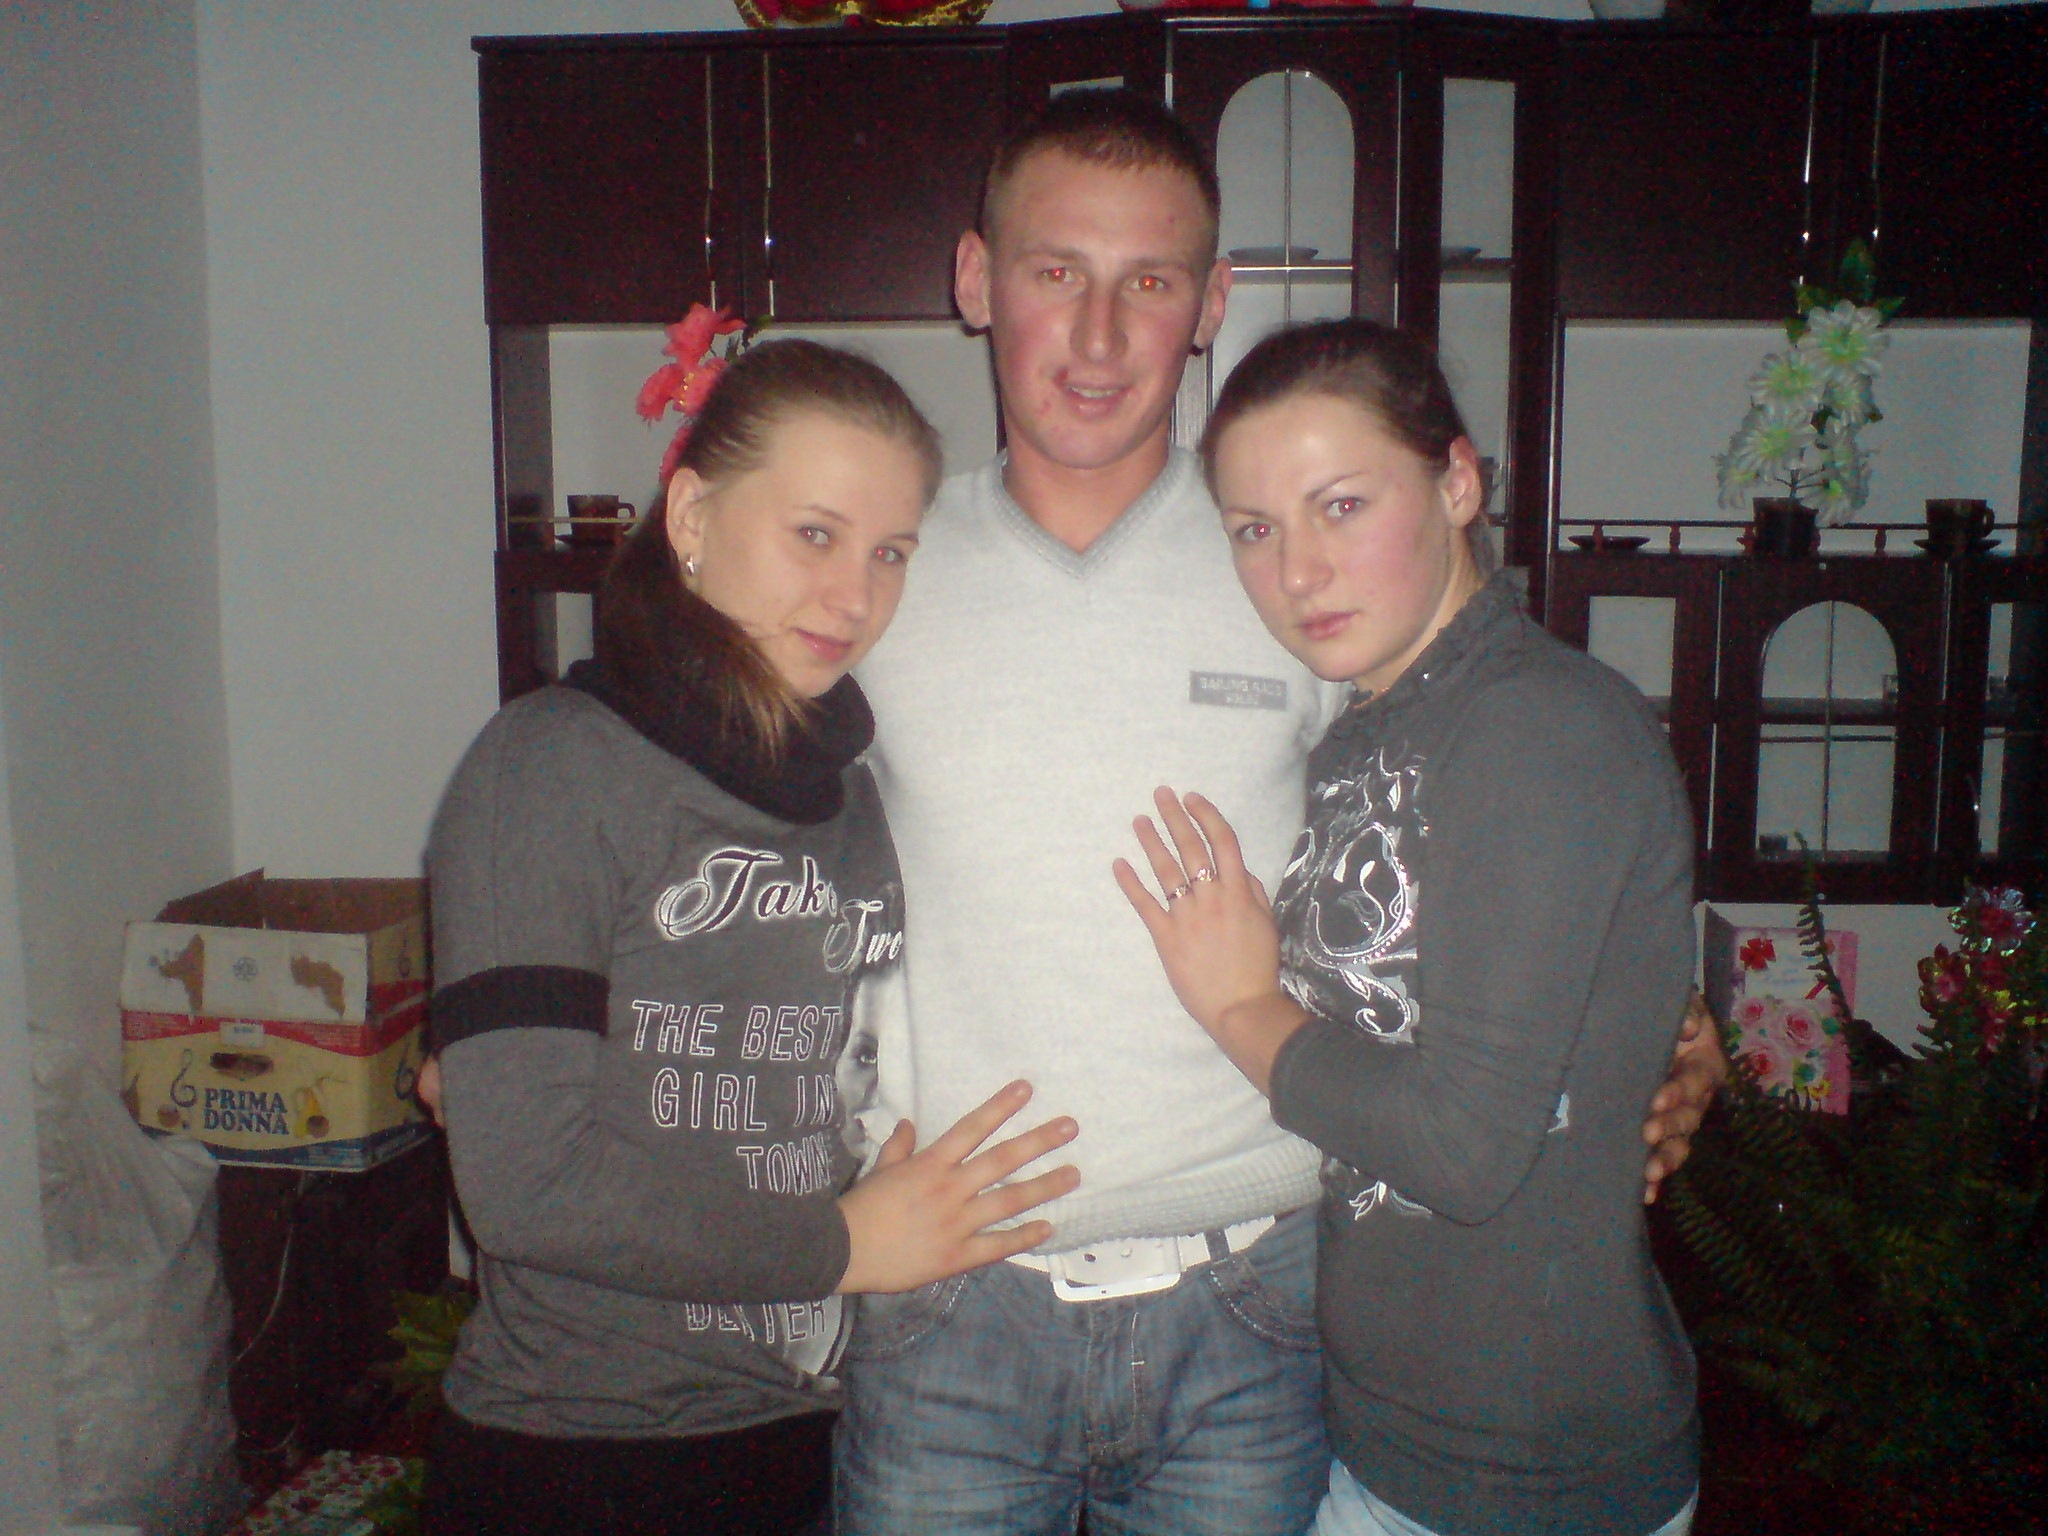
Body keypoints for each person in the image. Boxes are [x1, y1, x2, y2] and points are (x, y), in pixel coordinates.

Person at [836, 89, 1723, 1535]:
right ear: (975, 279)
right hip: (952, 1307)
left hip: (1259, 1307)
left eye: (1151, 281)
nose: (1100, 333)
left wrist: (1668, 1038)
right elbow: (711, 812)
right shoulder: (876, 569)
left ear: (1211, 304)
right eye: (1056, 270)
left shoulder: (1300, 562)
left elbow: (1505, 836)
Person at [419, 339, 1081, 1536]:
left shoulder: (847, 790)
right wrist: (841, 1244)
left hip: (819, 1426)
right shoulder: (551, 763)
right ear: (690, 516)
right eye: (813, 534)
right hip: (590, 1453)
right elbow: (526, 1186)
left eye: (889, 553)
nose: (853, 598)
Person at [1115, 317, 1700, 1536]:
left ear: (1456, 483)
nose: (1296, 572)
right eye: (1253, 530)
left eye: (1340, 506)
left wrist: (1239, 1005)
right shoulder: (1368, 729)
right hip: (1390, 1438)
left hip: (1527, 1474)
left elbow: (1459, 1150)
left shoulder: (1536, 728)